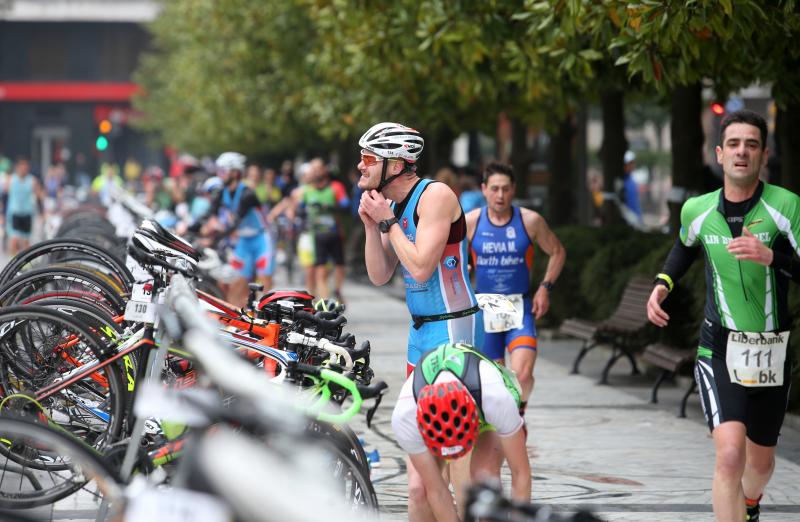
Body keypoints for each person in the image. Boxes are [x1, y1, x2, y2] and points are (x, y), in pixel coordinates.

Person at [646, 109, 800, 522]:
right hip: (720, 348)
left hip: (772, 350)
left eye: (751, 144)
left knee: (761, 465)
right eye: (733, 144)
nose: (741, 152)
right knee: (730, 454)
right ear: (719, 153)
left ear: (764, 154)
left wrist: (773, 257)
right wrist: (663, 283)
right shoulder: (696, 209)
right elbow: (683, 247)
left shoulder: (787, 206)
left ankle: (750, 505)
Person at [358, 122, 484, 518]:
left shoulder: (436, 196)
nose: (359, 167)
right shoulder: (393, 206)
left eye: (367, 159)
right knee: (417, 485)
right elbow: (379, 275)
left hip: (450, 331)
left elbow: (422, 267)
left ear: (395, 165)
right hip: (420, 334)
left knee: (454, 464)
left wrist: (389, 224)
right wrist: (370, 225)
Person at [466, 162, 565, 417]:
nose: (500, 195)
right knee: (496, 383)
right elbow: (447, 258)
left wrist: (545, 287)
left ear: (514, 190)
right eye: (495, 189)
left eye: (506, 189)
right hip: (485, 308)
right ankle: (503, 430)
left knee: (522, 374)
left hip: (518, 307)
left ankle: (518, 414)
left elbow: (557, 251)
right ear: (484, 190)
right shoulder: (471, 222)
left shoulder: (529, 221)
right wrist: (460, 269)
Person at [391, 342, 530, 522]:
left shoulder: (496, 399)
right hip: (439, 405)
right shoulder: (405, 416)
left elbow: (521, 474)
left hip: (483, 399)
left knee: (484, 478)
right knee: (419, 491)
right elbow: (437, 490)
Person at [207, 152, 275, 303]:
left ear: (235, 172)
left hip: (261, 239)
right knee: (236, 284)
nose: (220, 175)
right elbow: (210, 215)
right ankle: (235, 323)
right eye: (219, 171)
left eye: (223, 171)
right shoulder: (221, 191)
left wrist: (214, 237)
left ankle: (265, 321)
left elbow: (234, 223)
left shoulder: (247, 193)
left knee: (263, 285)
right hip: (244, 241)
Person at [5, 157, 44, 256]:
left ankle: (25, 265)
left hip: (27, 213)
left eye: (26, 168)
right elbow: (4, 197)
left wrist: (42, 212)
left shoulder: (32, 180)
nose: (24, 170)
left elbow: (39, 197)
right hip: (14, 213)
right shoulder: (11, 180)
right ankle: (12, 263)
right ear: (17, 168)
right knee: (14, 239)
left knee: (26, 242)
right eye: (22, 167)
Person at [622, 150, 643, 224]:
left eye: (633, 163)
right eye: (629, 163)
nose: (632, 165)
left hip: (635, 219)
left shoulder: (632, 180)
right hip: (627, 220)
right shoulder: (622, 182)